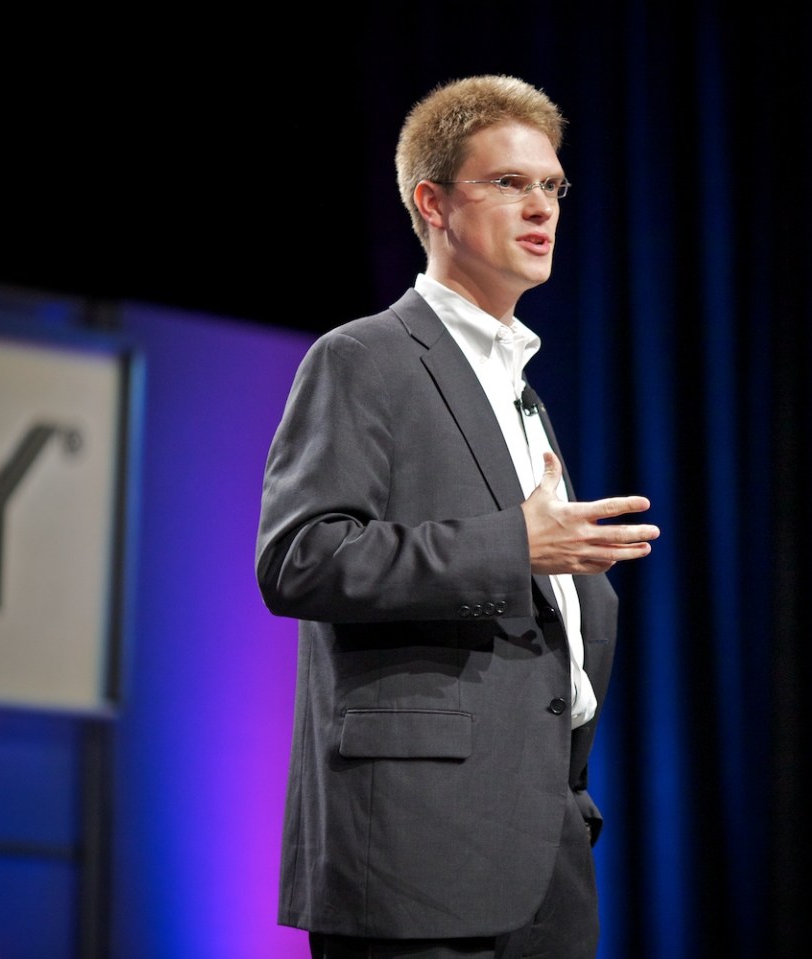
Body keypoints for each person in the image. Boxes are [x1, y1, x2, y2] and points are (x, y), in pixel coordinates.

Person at [255, 75, 659, 959]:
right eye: (510, 183)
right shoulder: (363, 357)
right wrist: (516, 544)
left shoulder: (518, 388)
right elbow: (300, 557)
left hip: (541, 844)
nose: (542, 207)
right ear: (431, 203)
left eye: (552, 185)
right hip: (414, 848)